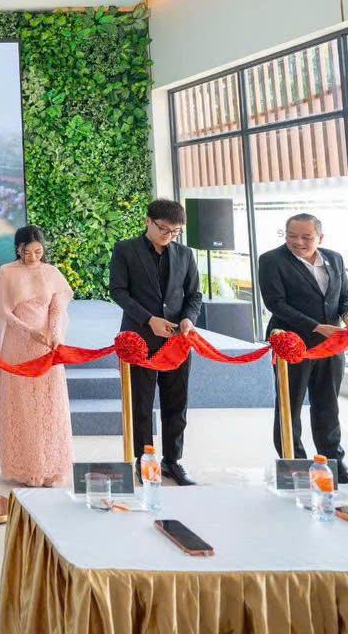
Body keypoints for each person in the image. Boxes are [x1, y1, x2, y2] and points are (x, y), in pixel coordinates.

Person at [258, 213, 348, 483]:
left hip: (331, 344)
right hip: (292, 344)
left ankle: (333, 462)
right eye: (292, 236)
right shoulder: (271, 260)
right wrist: (315, 326)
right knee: (289, 405)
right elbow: (276, 303)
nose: (298, 242)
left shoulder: (334, 258)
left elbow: (345, 297)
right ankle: (294, 463)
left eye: (306, 237)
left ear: (320, 238)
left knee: (328, 404)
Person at [108, 199, 203, 486]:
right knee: (141, 403)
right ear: (148, 221)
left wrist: (188, 320)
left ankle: (172, 461)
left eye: (175, 232)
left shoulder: (185, 254)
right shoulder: (126, 249)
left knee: (177, 402)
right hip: (139, 338)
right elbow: (118, 291)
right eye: (163, 229)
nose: (169, 236)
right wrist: (149, 319)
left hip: (176, 340)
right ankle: (144, 460)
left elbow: (194, 295)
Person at [0, 226, 75, 487]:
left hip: (46, 347)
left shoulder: (51, 272)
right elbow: (4, 312)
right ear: (18, 249)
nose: (33, 257)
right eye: (27, 252)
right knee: (22, 406)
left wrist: (54, 333)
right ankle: (27, 468)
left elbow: (56, 307)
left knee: (49, 405)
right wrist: (30, 332)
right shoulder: (7, 272)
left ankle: (52, 467)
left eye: (38, 251)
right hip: (18, 346)